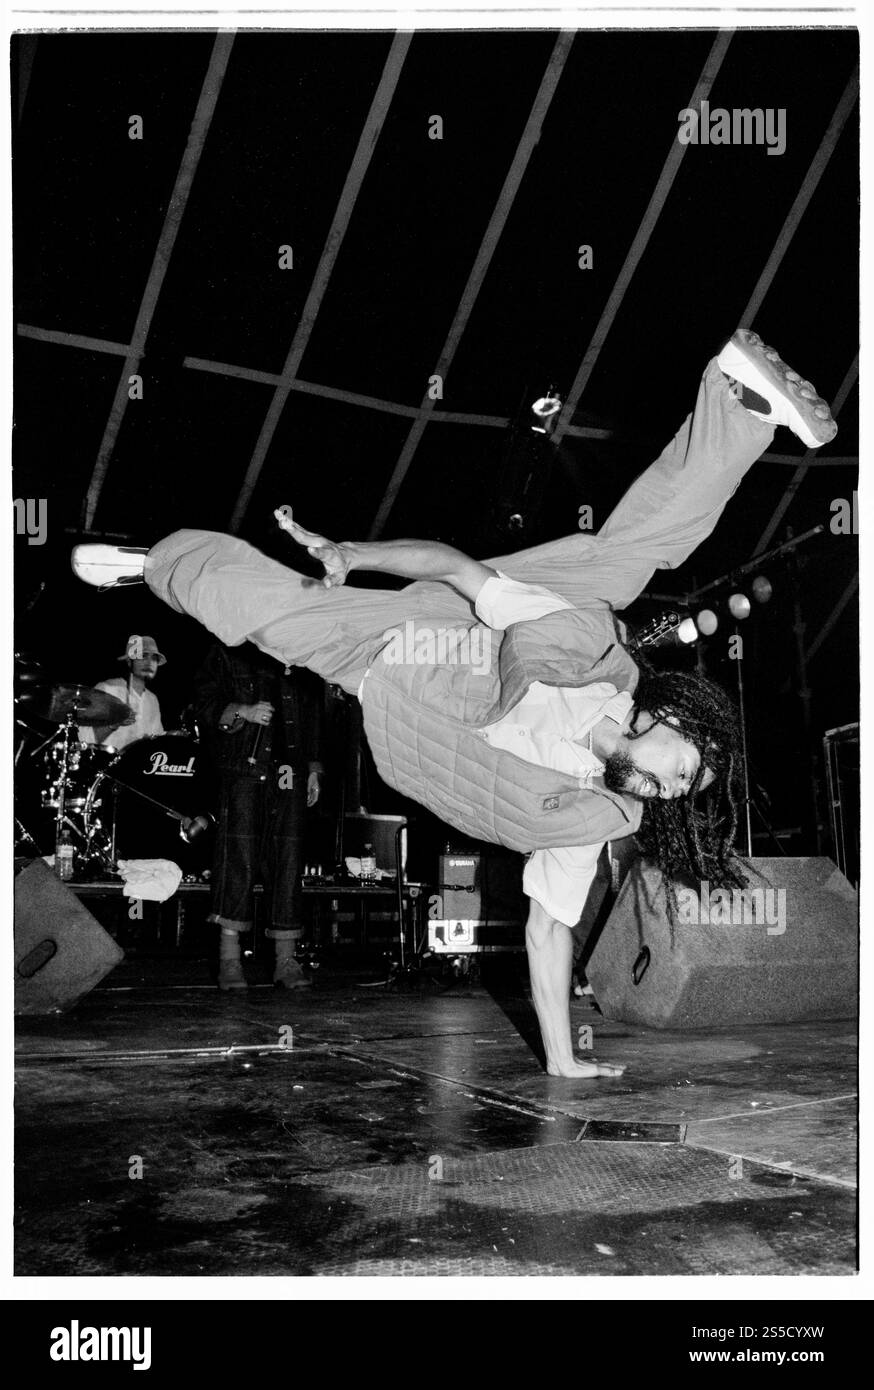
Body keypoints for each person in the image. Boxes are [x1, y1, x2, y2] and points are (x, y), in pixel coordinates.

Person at [73, 328, 837, 1076]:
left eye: (677, 794)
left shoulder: (593, 815)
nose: (667, 791)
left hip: (399, 681)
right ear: (666, 722)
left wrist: (563, 1056)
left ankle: (738, 402)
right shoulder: (577, 646)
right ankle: (157, 563)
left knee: (626, 553)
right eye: (681, 771)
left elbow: (548, 932)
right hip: (434, 633)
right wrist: (356, 556)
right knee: (273, 608)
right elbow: (449, 565)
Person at [192, 641, 324, 990]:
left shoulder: (298, 651)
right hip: (243, 769)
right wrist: (242, 711)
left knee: (288, 863)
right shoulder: (226, 649)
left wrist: (313, 768)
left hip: (290, 772)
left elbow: (311, 713)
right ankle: (230, 961)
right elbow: (203, 705)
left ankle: (285, 960)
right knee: (238, 861)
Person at [80, 633, 165, 750]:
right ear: (129, 661)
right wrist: (114, 723)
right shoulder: (107, 689)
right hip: (108, 765)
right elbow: (85, 738)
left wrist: (172, 736)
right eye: (143, 655)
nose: (149, 662)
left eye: (154, 658)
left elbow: (157, 740)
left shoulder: (152, 700)